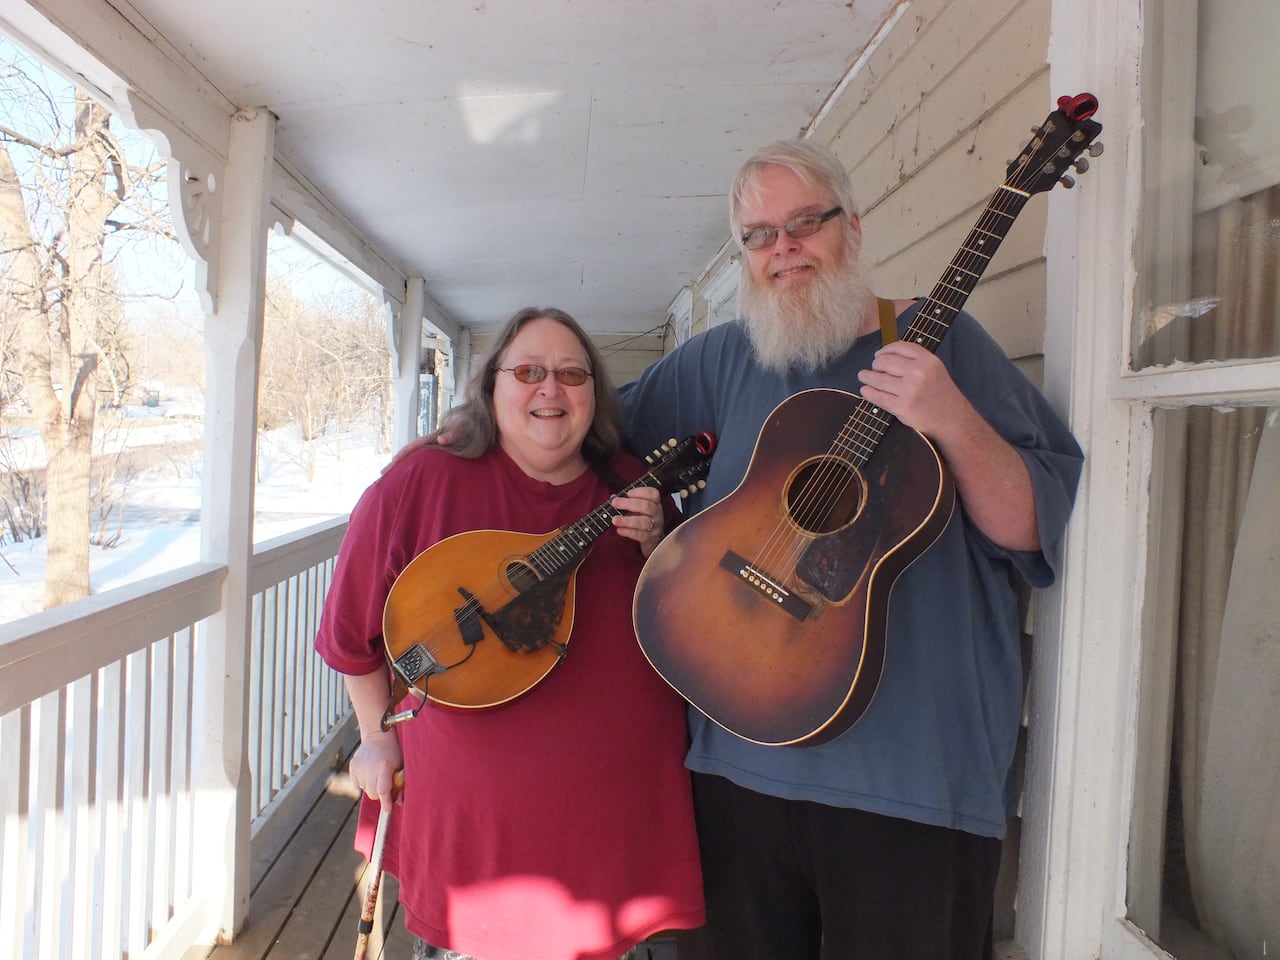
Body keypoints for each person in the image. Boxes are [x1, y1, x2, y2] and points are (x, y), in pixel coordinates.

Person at [617, 139, 1083, 959]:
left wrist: (951, 417)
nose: (783, 247)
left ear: (852, 227)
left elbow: (1033, 526)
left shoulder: (948, 347)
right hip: (736, 764)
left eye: (804, 222)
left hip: (913, 781)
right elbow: (595, 433)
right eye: (759, 235)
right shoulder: (726, 358)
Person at [315, 306, 705, 960]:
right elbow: (349, 632)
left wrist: (660, 548)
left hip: (617, 833)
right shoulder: (420, 483)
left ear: (595, 397)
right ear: (491, 387)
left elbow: (694, 638)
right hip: (479, 840)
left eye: (571, 374)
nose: (550, 389)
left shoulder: (637, 492)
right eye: (528, 371)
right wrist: (374, 737)